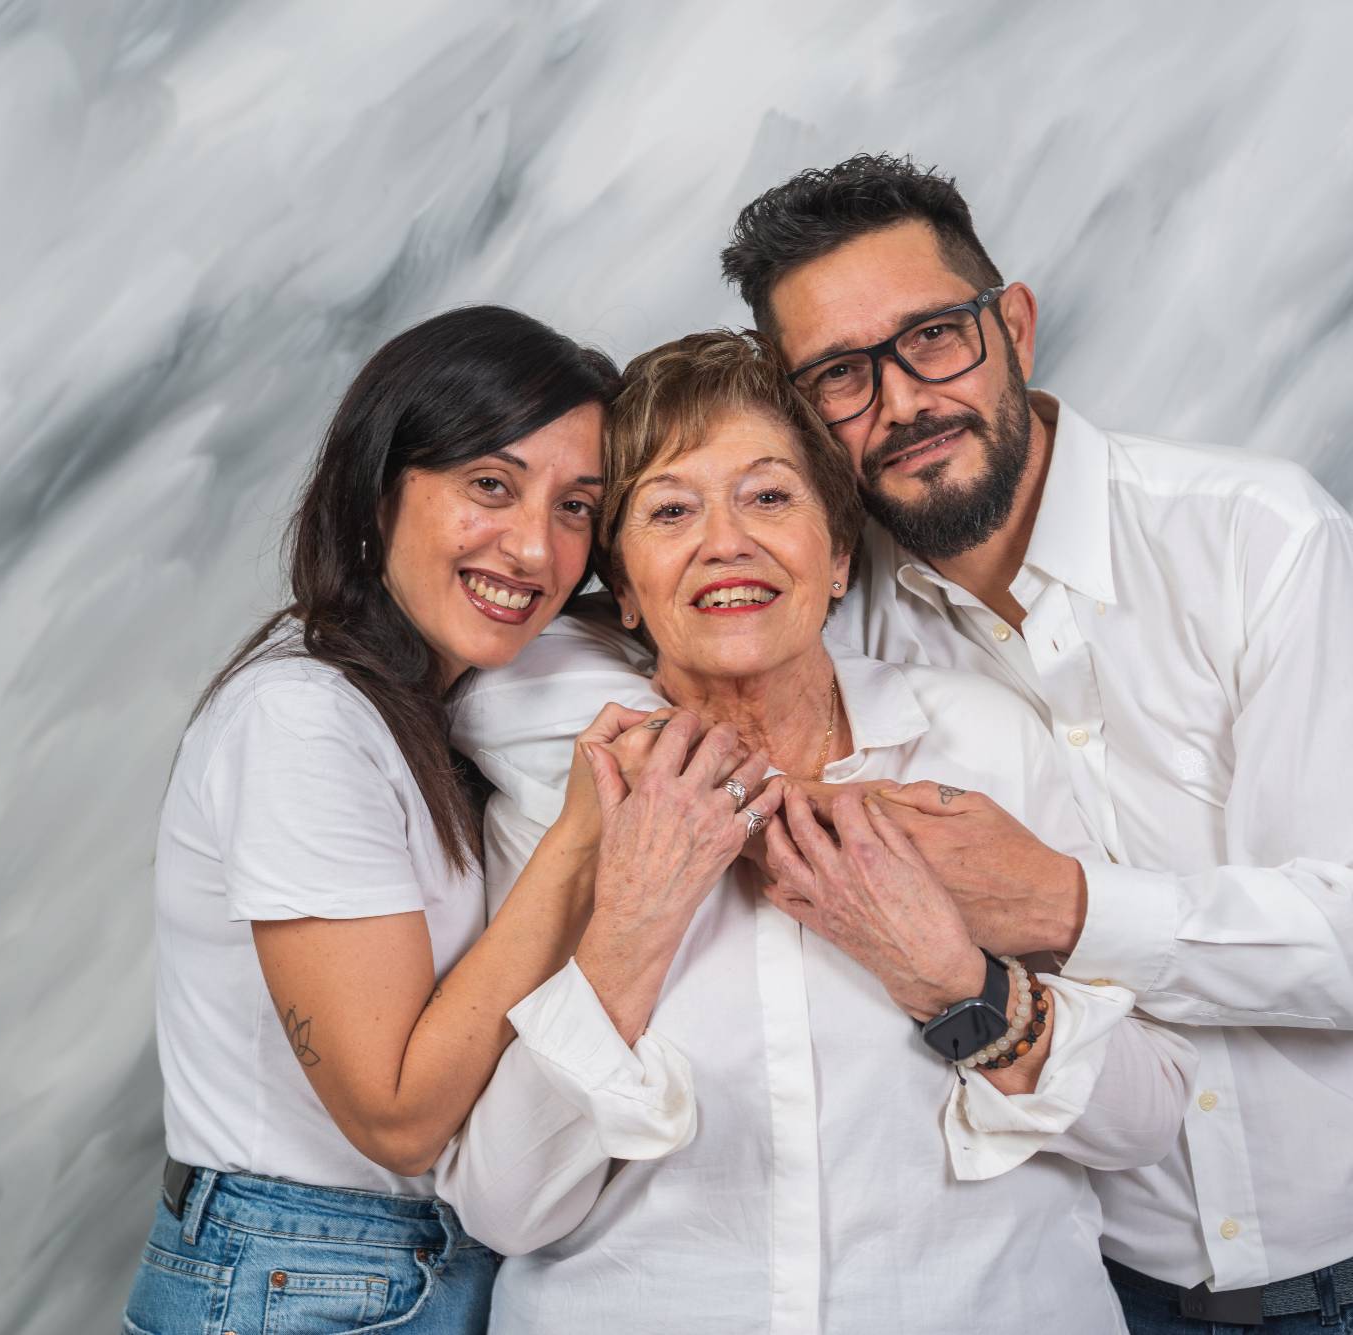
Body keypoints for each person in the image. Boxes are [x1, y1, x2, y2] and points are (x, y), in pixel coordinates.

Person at [461, 155, 1353, 1332]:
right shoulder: (689, 686)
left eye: (931, 337)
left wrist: (1048, 909)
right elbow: (553, 633)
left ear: (1011, 323)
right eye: (840, 374)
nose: (903, 399)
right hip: (1123, 1286)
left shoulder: (1256, 541)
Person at [435, 329, 1195, 1333]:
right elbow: (502, 1206)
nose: (725, 542)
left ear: (837, 555)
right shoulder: (563, 798)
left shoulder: (980, 743)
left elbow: (1144, 1118)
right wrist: (631, 925)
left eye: (768, 496)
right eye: (670, 510)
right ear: (621, 585)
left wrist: (950, 981)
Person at [122, 307, 651, 1335]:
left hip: (391, 1271)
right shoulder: (301, 720)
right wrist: (583, 841)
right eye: (488, 486)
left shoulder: (428, 711)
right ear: (378, 488)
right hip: (300, 1273)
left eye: (575, 507)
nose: (534, 546)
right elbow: (396, 1116)